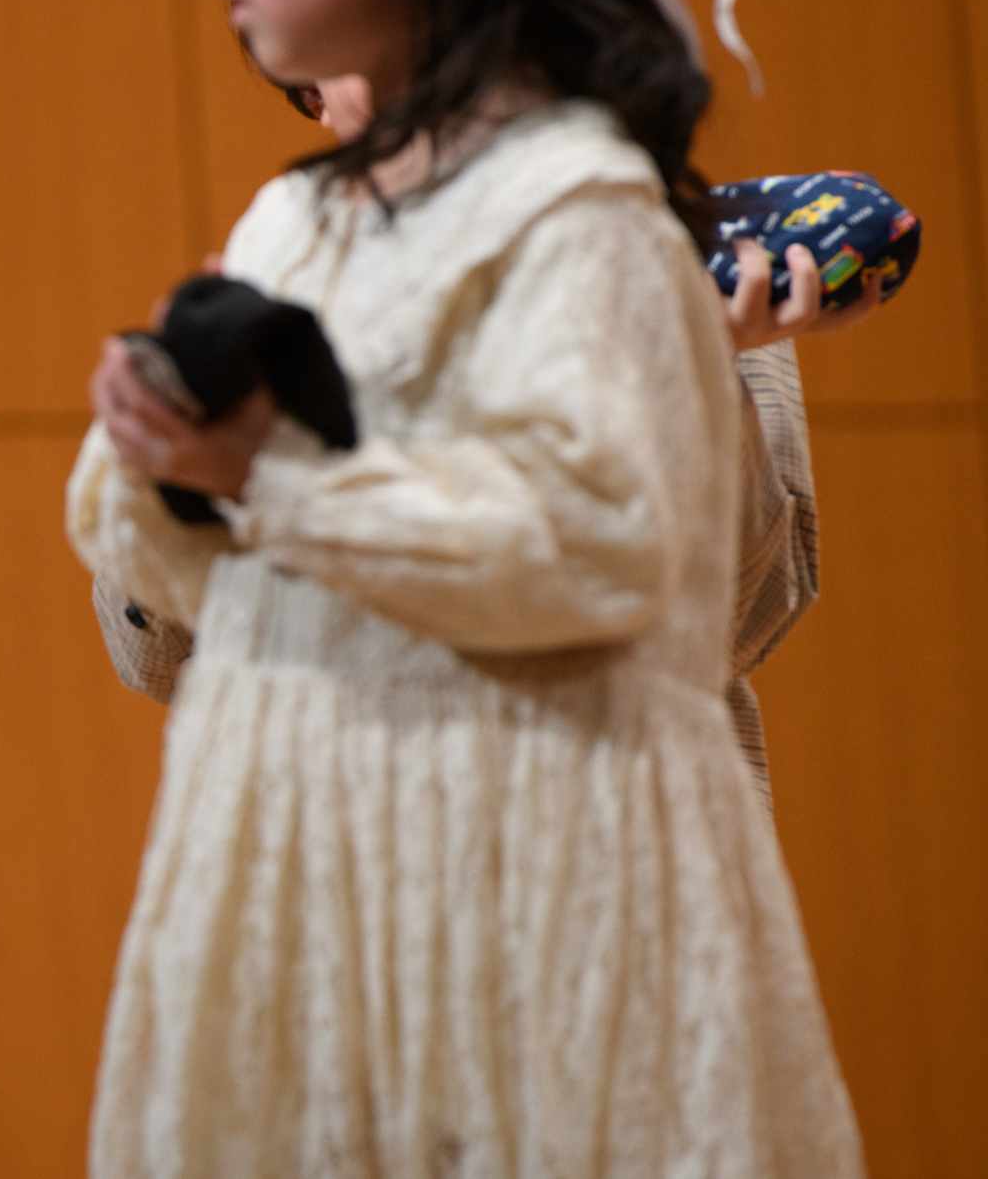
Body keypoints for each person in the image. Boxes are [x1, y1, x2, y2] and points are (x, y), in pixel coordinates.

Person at [66, 0, 862, 1173]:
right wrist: (162, 463)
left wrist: (277, 481)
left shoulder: (583, 210)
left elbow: (600, 541)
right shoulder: (292, 216)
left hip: (533, 890)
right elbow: (172, 583)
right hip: (314, 870)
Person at [105, 71, 866, 804]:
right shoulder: (279, 270)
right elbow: (154, 659)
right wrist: (189, 466)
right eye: (310, 87)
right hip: (350, 842)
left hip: (614, 828)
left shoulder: (664, 248)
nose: (337, 115)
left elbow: (741, 622)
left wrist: (691, 372)